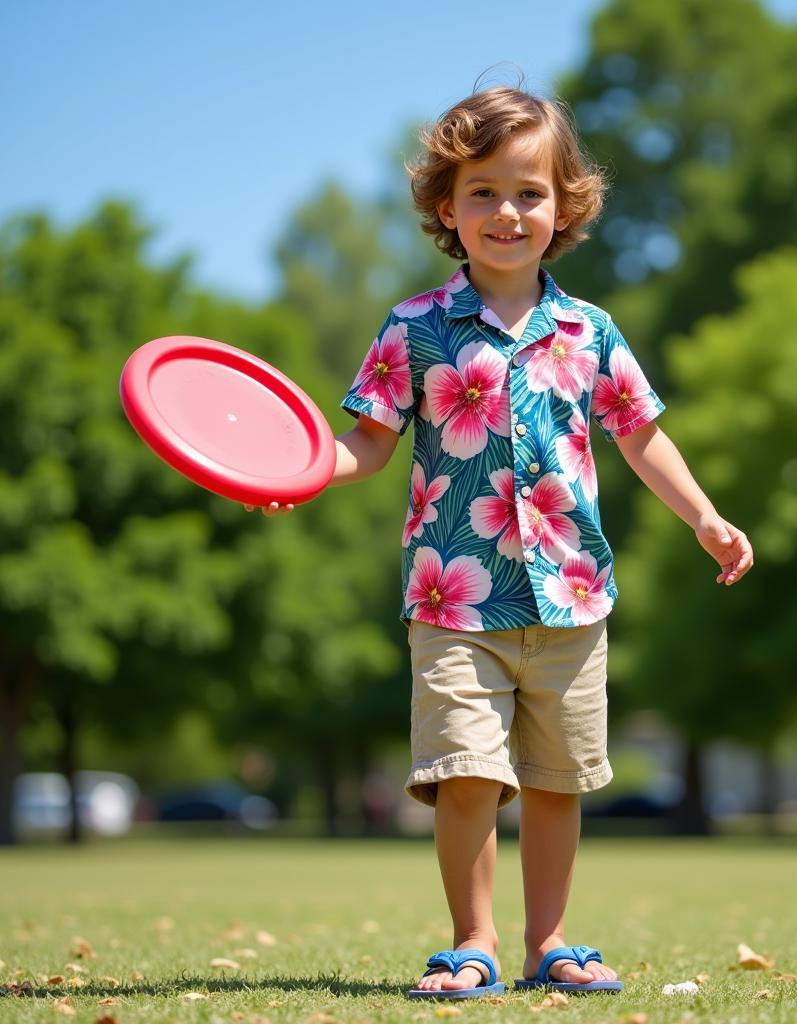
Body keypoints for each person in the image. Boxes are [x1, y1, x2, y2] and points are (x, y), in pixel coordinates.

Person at [249, 85, 753, 999]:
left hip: (569, 596)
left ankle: (549, 942)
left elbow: (640, 435)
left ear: (564, 205)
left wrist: (705, 517)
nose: (506, 212)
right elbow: (366, 440)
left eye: (528, 191)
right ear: (447, 207)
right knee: (467, 773)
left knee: (558, 781)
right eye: (482, 192)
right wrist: (301, 472)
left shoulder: (588, 331)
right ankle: (472, 941)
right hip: (455, 598)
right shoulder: (414, 328)